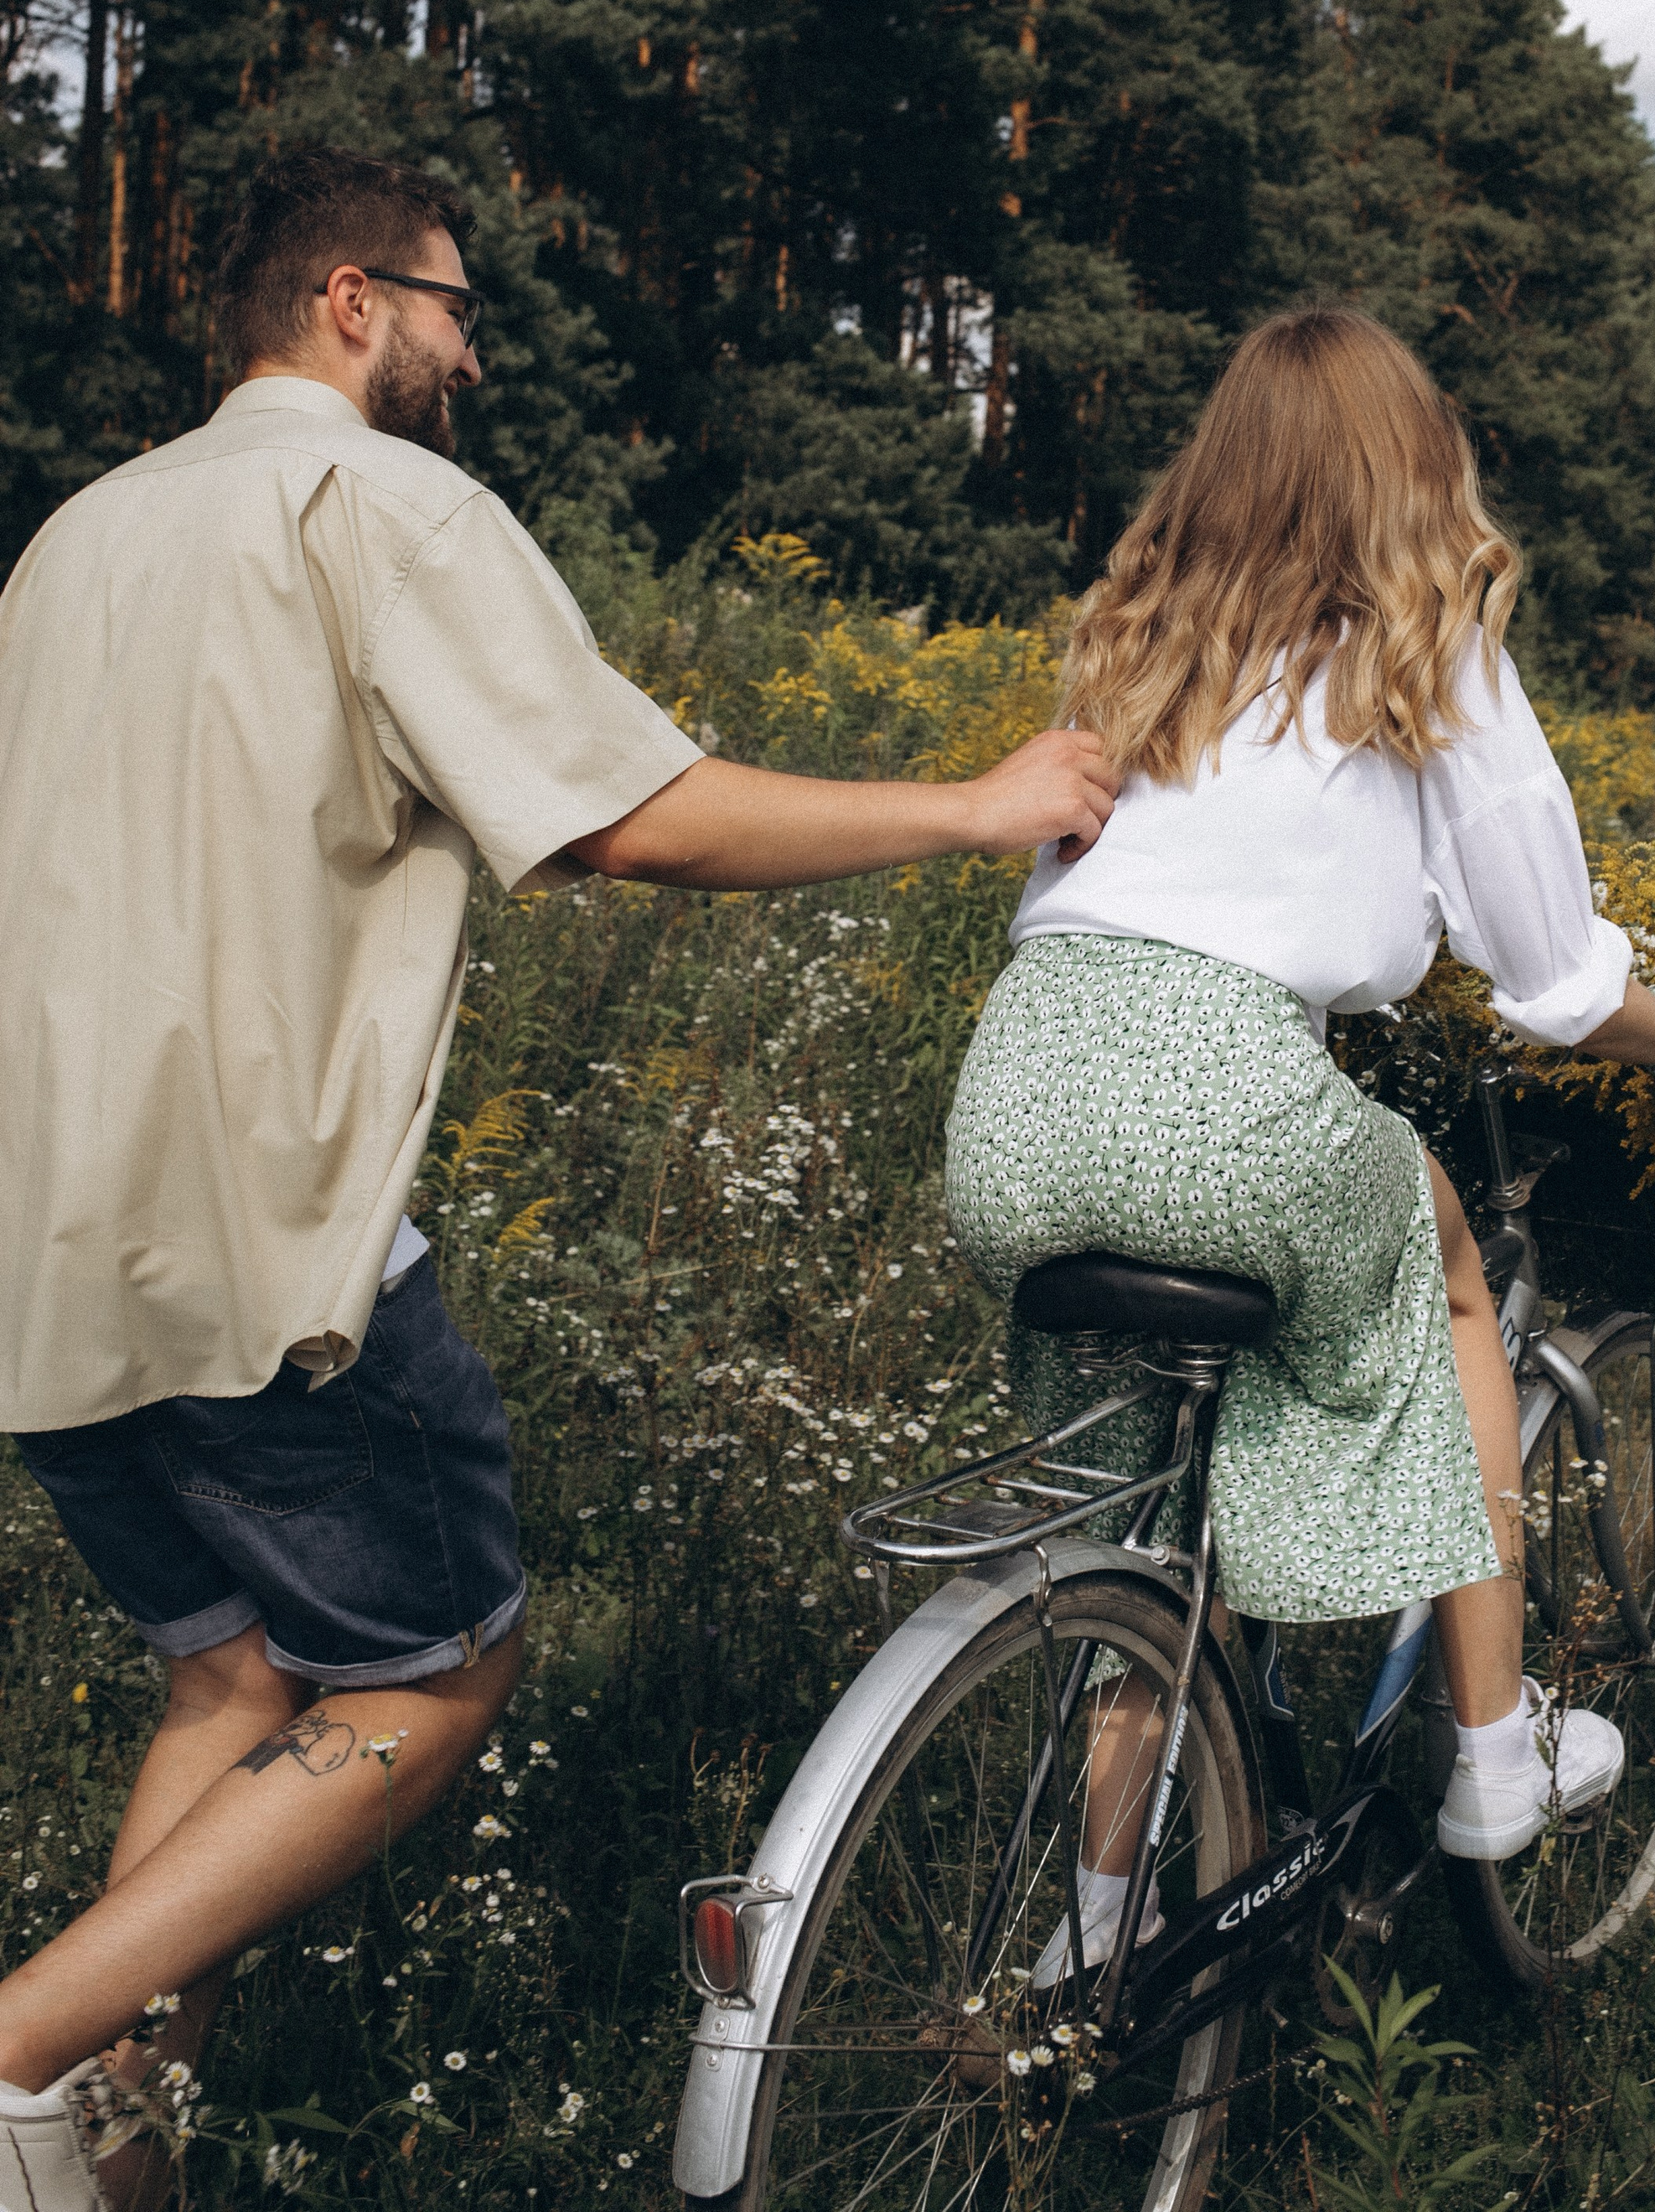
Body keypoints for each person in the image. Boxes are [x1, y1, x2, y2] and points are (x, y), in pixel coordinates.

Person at [0, 148, 1116, 2212]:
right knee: (429, 1672)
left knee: (233, 1678)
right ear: (348, 299)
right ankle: (24, 2056)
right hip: (264, 1233)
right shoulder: (375, 501)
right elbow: (628, 817)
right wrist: (982, 803)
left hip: (36, 1243)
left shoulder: (74, 538)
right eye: (450, 305)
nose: (472, 350)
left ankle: (91, 2160)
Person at [945, 303, 1655, 1980]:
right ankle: (1492, 1752)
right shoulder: (1428, 645)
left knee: (1150, 1537)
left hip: (1016, 1098)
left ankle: (1089, 1945)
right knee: (1446, 1262)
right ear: (1414, 463)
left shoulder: (1141, 634)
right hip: (1222, 1087)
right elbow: (1548, 978)